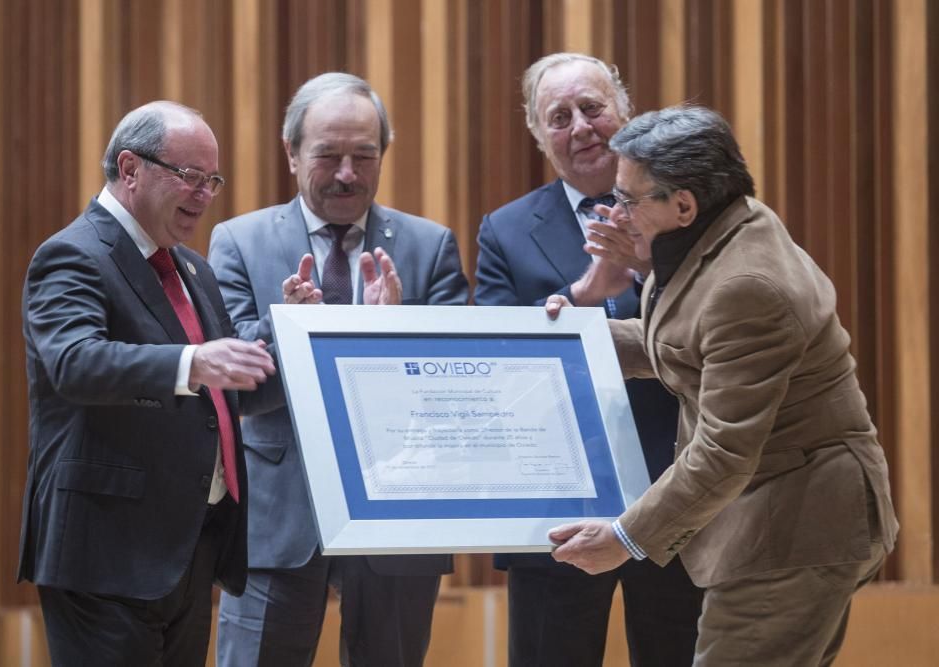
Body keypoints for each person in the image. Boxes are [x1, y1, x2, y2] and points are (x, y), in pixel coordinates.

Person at [546, 105, 899, 665]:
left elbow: (723, 451)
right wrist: (576, 341)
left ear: (682, 203)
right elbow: (688, 344)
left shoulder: (747, 285)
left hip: (796, 528)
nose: (616, 212)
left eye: (629, 199)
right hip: (783, 519)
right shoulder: (720, 227)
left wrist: (625, 538)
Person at [208, 72, 470, 667]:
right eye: (328, 155)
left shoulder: (430, 247)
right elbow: (228, 385)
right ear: (292, 152)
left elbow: (456, 388)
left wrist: (395, 336)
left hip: (400, 508)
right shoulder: (238, 242)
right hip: (279, 510)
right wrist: (286, 328)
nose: (347, 174)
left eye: (364, 156)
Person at [18, 101, 277, 666]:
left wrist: (299, 335)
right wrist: (190, 363)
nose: (205, 194)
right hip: (105, 553)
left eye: (212, 180)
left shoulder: (191, 268)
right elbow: (74, 362)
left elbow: (229, 385)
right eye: (189, 176)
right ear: (130, 168)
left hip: (188, 546)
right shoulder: (72, 255)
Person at [475, 53, 703, 666]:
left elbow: (721, 329)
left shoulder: (686, 210)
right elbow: (494, 365)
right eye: (558, 117)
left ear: (624, 112)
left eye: (592, 108)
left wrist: (650, 267)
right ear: (538, 135)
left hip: (678, 489)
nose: (579, 127)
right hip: (558, 502)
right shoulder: (506, 230)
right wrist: (584, 297)